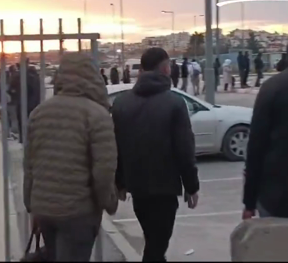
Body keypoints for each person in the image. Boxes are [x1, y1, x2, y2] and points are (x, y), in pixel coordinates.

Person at [24, 52, 119, 261]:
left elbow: (29, 165)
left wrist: (31, 205)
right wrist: (109, 201)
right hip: (78, 212)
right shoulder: (97, 115)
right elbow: (103, 170)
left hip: (44, 210)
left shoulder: (39, 112)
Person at [112, 47, 200, 262]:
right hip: (165, 188)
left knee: (153, 240)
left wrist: (120, 182)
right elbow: (184, 148)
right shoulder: (174, 103)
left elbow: (117, 147)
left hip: (137, 188)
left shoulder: (122, 103)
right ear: (165, 68)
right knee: (156, 246)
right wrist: (191, 186)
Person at [243, 24, 288, 220]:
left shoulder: (272, 88)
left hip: (279, 200)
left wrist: (249, 202)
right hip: (278, 198)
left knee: (278, 250)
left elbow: (256, 148)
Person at [9, 60, 41, 144]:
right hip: (35, 105)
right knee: (33, 124)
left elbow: (10, 89)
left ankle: (23, 140)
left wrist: (14, 94)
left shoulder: (18, 76)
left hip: (22, 104)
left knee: (22, 123)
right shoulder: (35, 76)